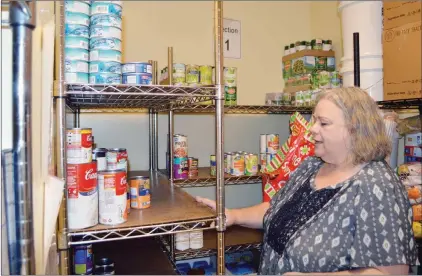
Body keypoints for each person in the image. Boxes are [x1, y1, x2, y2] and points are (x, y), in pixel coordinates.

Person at [196, 87, 418, 275]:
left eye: (324, 123)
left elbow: (391, 272)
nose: (312, 129)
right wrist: (233, 215)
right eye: (314, 120)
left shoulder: (377, 185)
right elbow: (276, 209)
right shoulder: (312, 165)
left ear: (354, 130)